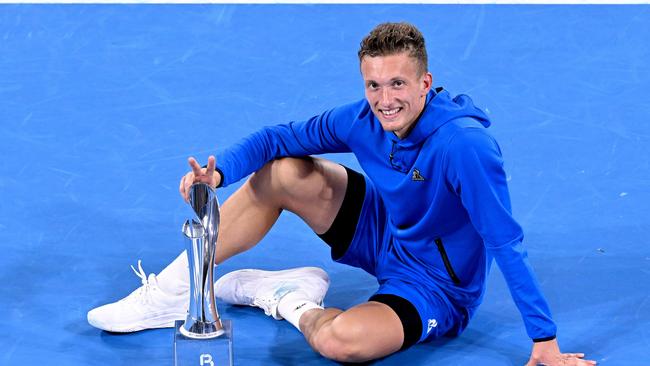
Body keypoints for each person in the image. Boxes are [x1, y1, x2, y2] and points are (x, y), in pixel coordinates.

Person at [88, 22, 595, 365]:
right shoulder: (364, 117)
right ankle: (180, 289)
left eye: (397, 84)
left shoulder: (464, 147)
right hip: (384, 233)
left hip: (435, 286)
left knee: (339, 342)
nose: (384, 101)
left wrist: (544, 339)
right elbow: (275, 139)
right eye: (373, 86)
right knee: (284, 171)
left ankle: (285, 297)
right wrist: (219, 176)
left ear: (426, 83)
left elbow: (505, 242)